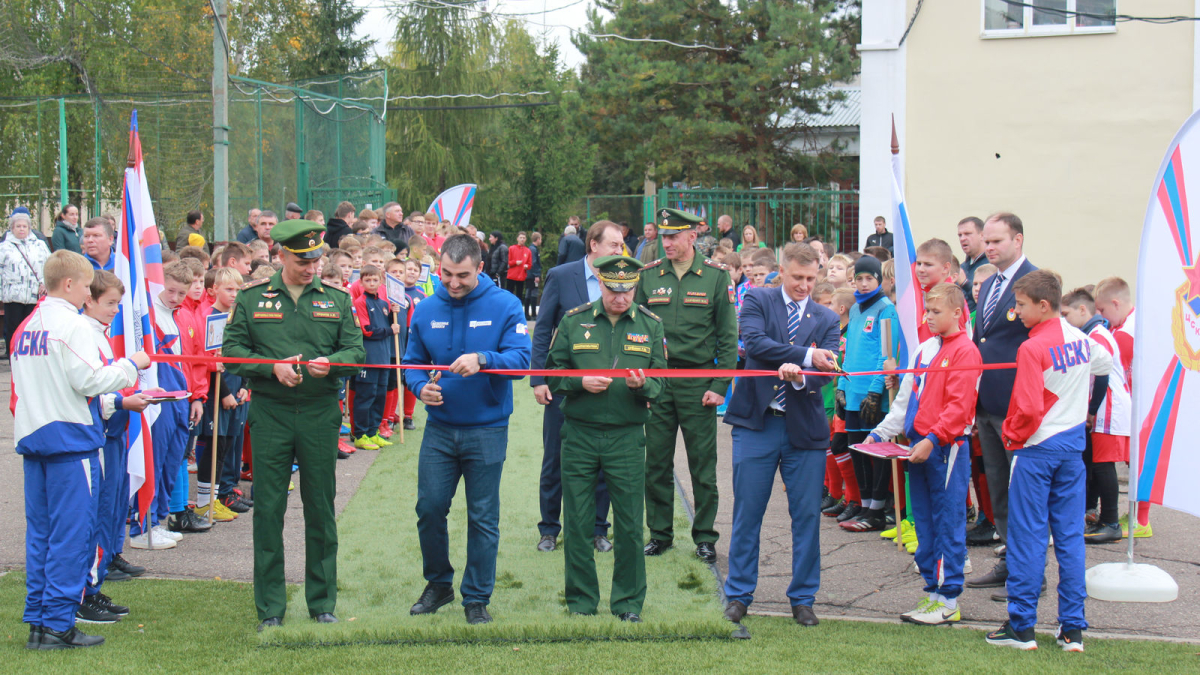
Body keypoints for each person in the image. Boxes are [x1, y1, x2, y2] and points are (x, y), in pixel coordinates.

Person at [223, 219, 365, 632]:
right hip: (271, 412)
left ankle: (321, 600)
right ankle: (270, 605)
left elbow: (355, 351)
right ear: (281, 255)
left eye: (317, 259)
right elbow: (231, 353)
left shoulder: (337, 300)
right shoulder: (252, 299)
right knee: (268, 508)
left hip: (321, 413)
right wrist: (271, 368)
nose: (312, 267)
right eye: (303, 259)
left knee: (320, 507)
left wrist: (332, 365)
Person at [12, 250, 150, 649]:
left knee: (42, 534)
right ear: (69, 284)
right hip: (69, 441)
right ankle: (57, 623)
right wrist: (130, 365)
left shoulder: (27, 324)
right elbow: (91, 380)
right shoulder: (69, 326)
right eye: (86, 286)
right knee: (72, 536)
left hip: (35, 437)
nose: (89, 293)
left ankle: (41, 621)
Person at [402, 234, 531, 626]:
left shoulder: (506, 304)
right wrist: (419, 386)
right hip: (439, 429)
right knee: (429, 509)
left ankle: (476, 597)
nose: (453, 283)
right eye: (446, 274)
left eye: (462, 275)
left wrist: (483, 358)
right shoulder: (425, 309)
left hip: (487, 428)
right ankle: (438, 584)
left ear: (480, 268)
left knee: (482, 516)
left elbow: (522, 361)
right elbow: (412, 362)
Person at [985, 270, 1111, 653]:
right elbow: (1105, 369)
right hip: (1072, 451)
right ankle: (1072, 628)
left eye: (1020, 305)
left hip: (1037, 450)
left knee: (1028, 536)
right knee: (1070, 538)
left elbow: (1025, 407)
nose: (1016, 311)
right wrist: (1086, 410)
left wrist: (1010, 434)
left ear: (1043, 305)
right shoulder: (1083, 339)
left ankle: (1021, 626)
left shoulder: (1031, 347)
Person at [722, 242, 841, 628]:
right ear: (781, 272)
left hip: (803, 430)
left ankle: (803, 598)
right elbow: (754, 344)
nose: (805, 285)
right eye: (797, 278)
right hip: (757, 423)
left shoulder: (826, 317)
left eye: (811, 278)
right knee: (747, 513)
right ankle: (739, 594)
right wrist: (804, 357)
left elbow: (829, 365)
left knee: (806, 515)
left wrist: (805, 371)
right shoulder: (757, 299)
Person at [546, 255, 665, 623]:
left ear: (635, 287)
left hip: (627, 436)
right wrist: (578, 382)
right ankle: (581, 602)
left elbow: (662, 381)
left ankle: (628, 603)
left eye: (627, 289)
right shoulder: (574, 320)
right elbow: (551, 373)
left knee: (629, 524)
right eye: (613, 289)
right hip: (580, 433)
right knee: (578, 521)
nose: (620, 297)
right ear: (601, 284)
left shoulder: (650, 325)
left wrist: (643, 383)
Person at [865, 283, 981, 625]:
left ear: (958, 313)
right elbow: (906, 400)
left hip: (946, 449)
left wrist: (933, 438)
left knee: (949, 522)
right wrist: (881, 432)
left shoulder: (966, 352)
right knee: (925, 522)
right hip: (919, 449)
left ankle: (949, 598)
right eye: (927, 311)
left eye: (936, 312)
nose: (929, 318)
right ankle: (932, 591)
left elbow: (960, 407)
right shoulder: (924, 350)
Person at [635, 208, 738, 564]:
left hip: (698, 384)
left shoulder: (715, 277)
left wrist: (720, 385)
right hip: (658, 382)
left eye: (673, 236)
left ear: (692, 236)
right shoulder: (648, 276)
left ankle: (705, 537)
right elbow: (636, 332)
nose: (666, 243)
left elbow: (728, 337)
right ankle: (660, 534)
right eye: (663, 236)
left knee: (702, 466)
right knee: (656, 464)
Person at [530, 221, 625, 553]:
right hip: (564, 384)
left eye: (622, 245)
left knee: (602, 459)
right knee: (555, 455)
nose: (620, 251)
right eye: (614, 244)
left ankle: (599, 529)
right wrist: (538, 379)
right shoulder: (561, 276)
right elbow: (543, 330)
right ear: (593, 245)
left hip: (608, 386)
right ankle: (549, 529)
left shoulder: (622, 280)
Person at [967, 213, 1037, 596]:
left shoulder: (1035, 282)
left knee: (1023, 490)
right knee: (999, 488)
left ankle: (1031, 572)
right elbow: (983, 341)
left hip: (1019, 405)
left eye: (997, 241)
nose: (990, 247)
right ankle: (1012, 562)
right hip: (988, 403)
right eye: (987, 241)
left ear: (1018, 240)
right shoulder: (991, 283)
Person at [1059, 288, 1129, 545]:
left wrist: (1091, 411)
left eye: (1066, 314)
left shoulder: (1097, 336)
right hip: (1103, 407)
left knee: (1104, 465)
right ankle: (1098, 515)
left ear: (1082, 310)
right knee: (1098, 463)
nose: (1063, 320)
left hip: (1108, 406)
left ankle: (1111, 522)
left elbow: (1102, 376)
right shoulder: (1093, 333)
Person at [837, 255, 900, 533]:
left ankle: (876, 509)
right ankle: (863, 505)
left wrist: (875, 392)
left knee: (875, 452)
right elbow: (849, 351)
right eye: (859, 278)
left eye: (869, 279)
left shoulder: (886, 309)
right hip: (852, 392)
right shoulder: (855, 310)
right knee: (856, 450)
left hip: (871, 395)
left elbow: (886, 354)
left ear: (879, 280)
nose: (863, 284)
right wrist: (841, 385)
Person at [350, 264, 399, 451]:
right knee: (366, 396)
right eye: (367, 280)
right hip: (369, 359)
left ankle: (373, 432)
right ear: (361, 282)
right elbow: (367, 330)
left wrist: (394, 313)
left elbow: (389, 325)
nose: (371, 283)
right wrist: (390, 329)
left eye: (375, 279)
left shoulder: (384, 304)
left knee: (379, 396)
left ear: (380, 281)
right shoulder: (360, 302)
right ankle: (361, 434)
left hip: (384, 358)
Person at [1, 208, 51, 359]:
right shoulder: (4, 247)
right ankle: (13, 358)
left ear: (29, 228)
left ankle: (30, 359)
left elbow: (48, 266)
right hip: (13, 296)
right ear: (12, 228)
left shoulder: (40, 245)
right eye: (18, 226)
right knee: (13, 329)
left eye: (24, 226)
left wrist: (45, 283)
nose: (21, 229)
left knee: (32, 329)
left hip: (34, 294)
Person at [958, 217, 987, 311]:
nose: (962, 238)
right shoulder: (961, 268)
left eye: (967, 234)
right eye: (960, 235)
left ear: (982, 235)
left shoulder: (993, 265)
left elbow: (988, 300)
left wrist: (965, 283)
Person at [506, 231, 532, 299]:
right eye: (520, 238)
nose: (522, 239)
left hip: (521, 276)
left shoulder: (528, 251)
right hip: (511, 276)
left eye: (523, 238)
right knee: (509, 294)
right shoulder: (512, 248)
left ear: (525, 239)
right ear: (517, 239)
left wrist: (527, 266)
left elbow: (530, 264)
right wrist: (515, 262)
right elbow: (508, 262)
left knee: (519, 295)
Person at [525, 232, 542, 320]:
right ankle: (532, 314)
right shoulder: (533, 249)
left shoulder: (531, 248)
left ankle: (528, 313)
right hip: (532, 275)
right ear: (538, 239)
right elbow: (533, 263)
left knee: (529, 293)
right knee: (533, 293)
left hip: (529, 274)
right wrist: (536, 275)